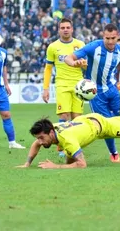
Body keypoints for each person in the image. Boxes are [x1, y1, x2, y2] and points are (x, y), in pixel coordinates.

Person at [17, 81, 120, 169]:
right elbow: (36, 144)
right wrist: (27, 163)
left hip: (100, 125)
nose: (40, 142)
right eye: (39, 138)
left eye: (42, 138)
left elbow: (82, 164)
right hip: (84, 122)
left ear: (51, 132)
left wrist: (55, 166)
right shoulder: (50, 129)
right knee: (69, 162)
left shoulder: (67, 139)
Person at [64, 24, 120, 163]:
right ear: (103, 36)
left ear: (118, 36)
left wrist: (118, 81)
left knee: (118, 120)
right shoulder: (94, 47)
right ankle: (114, 153)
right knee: (107, 124)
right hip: (96, 92)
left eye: (113, 38)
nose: (110, 41)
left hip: (112, 89)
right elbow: (68, 57)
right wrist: (75, 63)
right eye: (107, 38)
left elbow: (118, 65)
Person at [42, 18, 86, 156]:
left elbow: (86, 65)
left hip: (78, 85)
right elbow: (48, 68)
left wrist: (81, 64)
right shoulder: (53, 47)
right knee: (64, 116)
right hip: (62, 85)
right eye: (63, 27)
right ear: (59, 29)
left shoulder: (80, 44)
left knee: (77, 118)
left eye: (68, 27)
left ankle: (74, 145)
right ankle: (61, 145)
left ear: (72, 29)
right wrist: (45, 88)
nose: (65, 29)